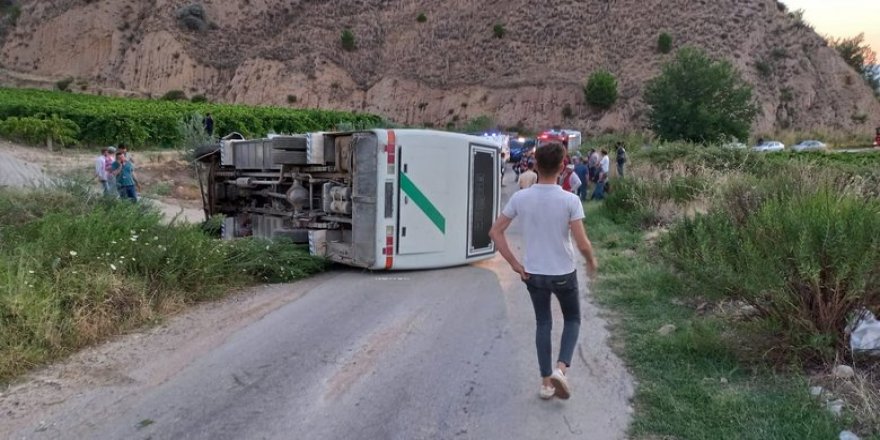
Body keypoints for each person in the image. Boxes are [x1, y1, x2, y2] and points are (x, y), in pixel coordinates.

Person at [489, 142, 598, 401]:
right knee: (572, 319)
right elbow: (582, 242)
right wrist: (591, 261)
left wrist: (515, 265)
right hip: (563, 272)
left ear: (535, 165)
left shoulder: (520, 197)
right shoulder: (570, 200)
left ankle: (546, 383)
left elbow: (495, 232)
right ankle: (561, 369)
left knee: (543, 323)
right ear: (562, 167)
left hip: (533, 274)